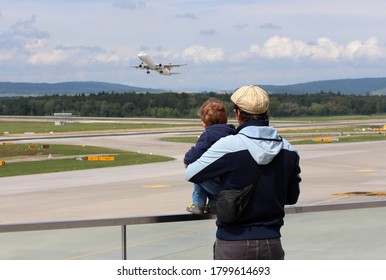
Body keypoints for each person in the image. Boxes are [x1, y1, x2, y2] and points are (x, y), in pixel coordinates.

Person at [184, 85, 301, 260]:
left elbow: (191, 173)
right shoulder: (289, 150)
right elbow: (291, 197)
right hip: (272, 243)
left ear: (238, 114)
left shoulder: (229, 146)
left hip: (233, 243)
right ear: (266, 112)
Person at [184, 99, 236, 215]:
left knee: (198, 171)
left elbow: (197, 152)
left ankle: (198, 204)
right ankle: (213, 205)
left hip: (215, 182)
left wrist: (187, 159)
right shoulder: (232, 132)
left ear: (204, 122)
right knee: (213, 170)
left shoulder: (208, 134)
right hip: (228, 181)